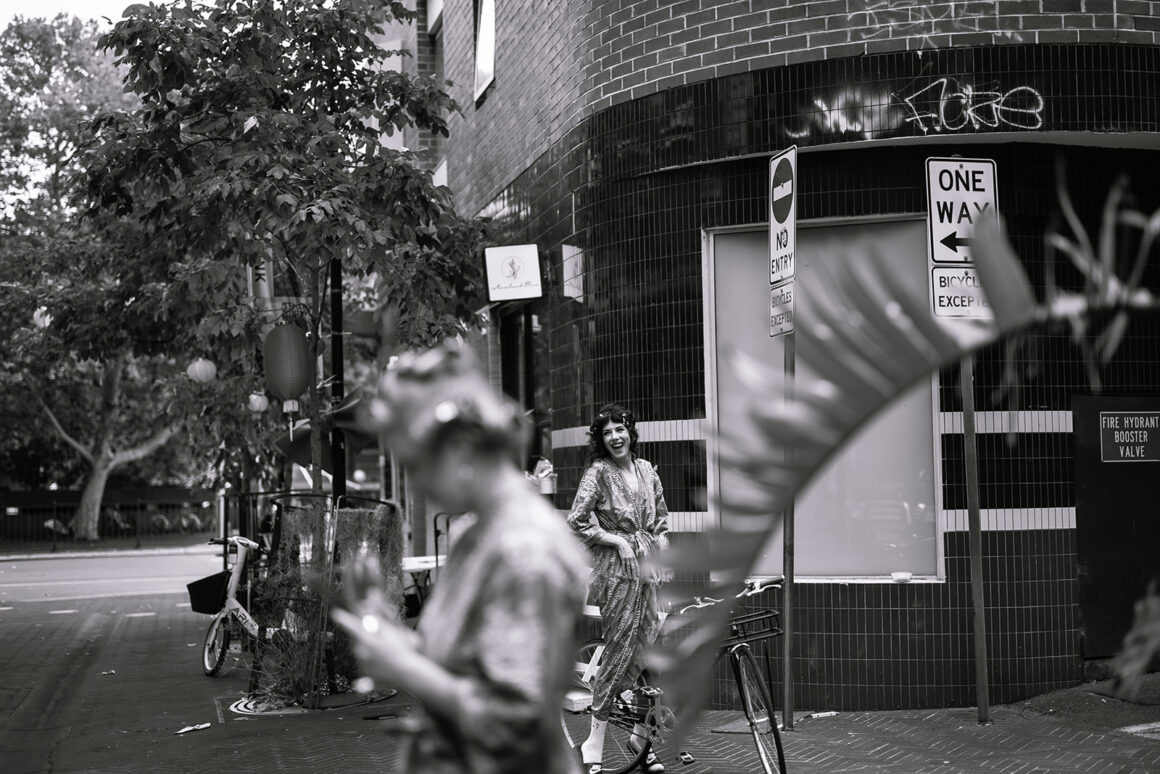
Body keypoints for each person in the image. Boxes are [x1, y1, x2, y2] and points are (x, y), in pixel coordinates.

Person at [332, 343, 589, 774]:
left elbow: (514, 721)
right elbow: (474, 662)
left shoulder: (525, 547)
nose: (415, 484)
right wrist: (394, 639)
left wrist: (403, 665)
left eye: (415, 464)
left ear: (459, 448)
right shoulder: (477, 532)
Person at [567, 404, 669, 774]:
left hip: (648, 573)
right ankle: (593, 743)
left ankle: (642, 738)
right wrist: (617, 541)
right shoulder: (598, 473)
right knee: (620, 650)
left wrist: (660, 553)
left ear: (630, 431)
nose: (615, 437)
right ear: (601, 438)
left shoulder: (647, 471)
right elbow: (576, 521)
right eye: (607, 432)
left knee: (650, 654)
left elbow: (661, 522)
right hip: (616, 573)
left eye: (620, 429)